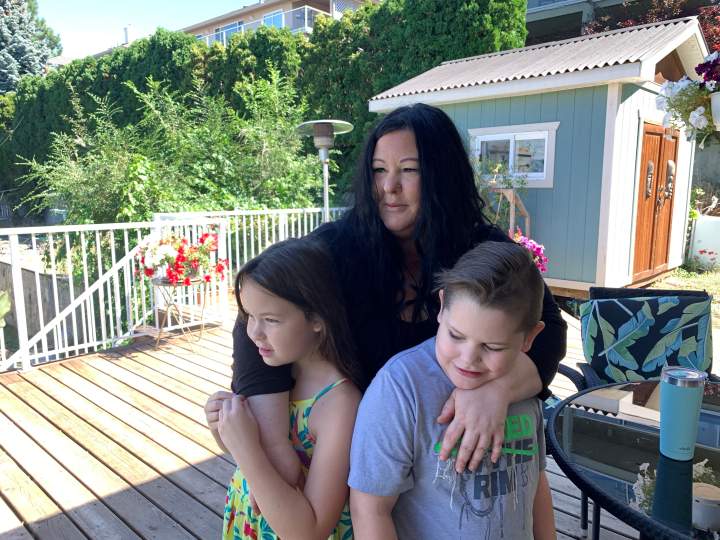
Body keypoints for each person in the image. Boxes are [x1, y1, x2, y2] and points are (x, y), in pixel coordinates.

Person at [226, 103, 567, 500]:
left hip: (445, 480)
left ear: (441, 175)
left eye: (408, 170)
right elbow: (256, 316)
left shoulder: (480, 249)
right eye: (378, 170)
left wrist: (498, 389)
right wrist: (273, 445)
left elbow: (549, 331)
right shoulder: (336, 247)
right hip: (355, 478)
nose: (389, 186)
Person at [349, 241, 556, 539]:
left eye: (492, 347)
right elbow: (369, 509)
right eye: (456, 335)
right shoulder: (399, 389)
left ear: (529, 338)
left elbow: (536, 483)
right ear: (442, 305)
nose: (468, 358)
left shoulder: (523, 389)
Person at [204, 237, 363, 539]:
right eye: (249, 316)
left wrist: (245, 447)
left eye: (271, 320)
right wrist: (223, 427)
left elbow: (311, 530)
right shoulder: (272, 381)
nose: (254, 333)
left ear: (317, 318)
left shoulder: (339, 404)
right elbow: (241, 449)